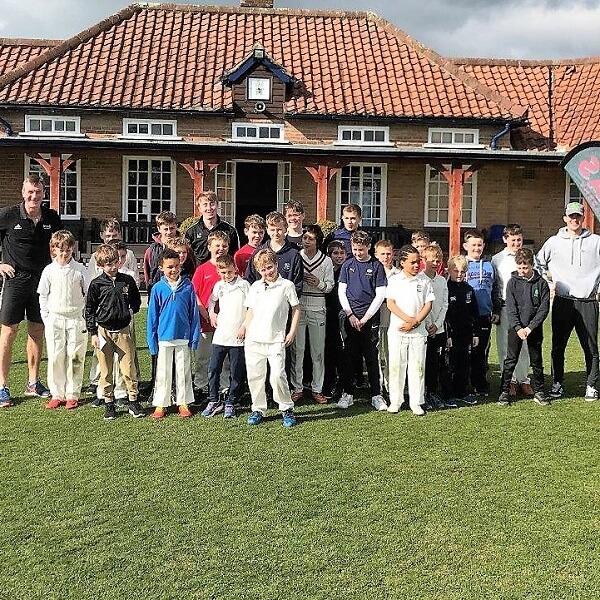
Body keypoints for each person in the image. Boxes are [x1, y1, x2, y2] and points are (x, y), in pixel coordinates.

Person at [0, 175, 62, 407]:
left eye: (38, 192)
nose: (34, 196)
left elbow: (60, 245)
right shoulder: (8, 215)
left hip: (42, 282)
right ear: (22, 193)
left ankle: (33, 383)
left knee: (37, 330)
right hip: (15, 280)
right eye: (30, 192)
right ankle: (2, 386)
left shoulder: (52, 217)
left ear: (43, 194)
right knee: (9, 332)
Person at [537, 201, 600, 400]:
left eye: (578, 216)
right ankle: (557, 383)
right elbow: (538, 264)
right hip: (563, 301)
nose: (574, 220)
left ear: (583, 218)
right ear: (565, 218)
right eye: (571, 216)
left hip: (588, 301)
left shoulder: (595, 241)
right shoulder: (554, 242)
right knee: (558, 345)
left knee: (590, 347)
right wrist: (548, 285)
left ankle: (591, 384)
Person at [241, 249, 300, 427]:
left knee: (277, 375)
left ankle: (286, 408)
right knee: (255, 376)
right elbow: (250, 310)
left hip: (276, 339)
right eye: (263, 269)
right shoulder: (256, 286)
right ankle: (258, 408)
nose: (268, 272)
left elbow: (296, 309)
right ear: (258, 271)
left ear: (276, 265)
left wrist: (291, 332)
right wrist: (245, 327)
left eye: (270, 267)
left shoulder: (287, 285)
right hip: (254, 339)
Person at [85, 244, 144, 421]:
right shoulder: (96, 284)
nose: (112, 267)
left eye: (114, 263)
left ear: (119, 262)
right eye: (107, 264)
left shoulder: (127, 280)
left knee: (128, 367)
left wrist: (129, 311)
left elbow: (136, 301)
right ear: (101, 265)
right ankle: (109, 403)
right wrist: (93, 333)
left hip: (123, 331)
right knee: (106, 370)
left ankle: (133, 400)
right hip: (103, 331)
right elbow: (89, 309)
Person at [37, 230, 89, 410]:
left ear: (72, 249)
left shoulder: (80, 270)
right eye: (60, 250)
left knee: (75, 356)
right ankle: (57, 393)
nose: (64, 254)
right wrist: (46, 318)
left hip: (76, 318)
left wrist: (85, 317)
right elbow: (43, 296)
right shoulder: (49, 270)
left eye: (67, 250)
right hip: (55, 319)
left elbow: (88, 294)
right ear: (54, 250)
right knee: (56, 356)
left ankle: (72, 394)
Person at [336, 230, 387, 411]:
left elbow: (381, 294)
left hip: (369, 319)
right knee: (348, 357)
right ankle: (347, 394)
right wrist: (350, 314)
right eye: (355, 249)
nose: (358, 253)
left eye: (361, 249)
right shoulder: (347, 265)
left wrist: (365, 318)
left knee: (371, 357)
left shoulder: (377, 266)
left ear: (368, 247)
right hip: (350, 319)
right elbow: (342, 291)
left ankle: (376, 395)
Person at [147, 248, 199, 419]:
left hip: (183, 335)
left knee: (183, 371)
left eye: (177, 266)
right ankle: (161, 403)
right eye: (169, 267)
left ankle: (183, 402)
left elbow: (193, 314)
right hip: (164, 337)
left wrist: (194, 337)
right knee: (163, 372)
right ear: (161, 267)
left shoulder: (188, 286)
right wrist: (152, 342)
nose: (174, 270)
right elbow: (152, 317)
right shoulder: (158, 288)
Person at [498, 248, 550, 407]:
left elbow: (543, 309)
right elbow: (511, 307)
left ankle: (540, 391)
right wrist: (518, 327)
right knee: (510, 359)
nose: (522, 271)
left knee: (536, 360)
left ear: (532, 265)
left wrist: (530, 327)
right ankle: (504, 391)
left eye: (525, 267)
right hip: (516, 328)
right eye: (519, 267)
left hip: (533, 328)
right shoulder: (512, 282)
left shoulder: (541, 284)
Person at [386, 245, 434, 416]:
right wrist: (408, 321)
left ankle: (416, 401)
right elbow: (390, 303)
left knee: (417, 367)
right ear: (403, 262)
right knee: (396, 365)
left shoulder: (424, 281)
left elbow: (428, 304)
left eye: (418, 262)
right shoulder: (394, 279)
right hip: (398, 331)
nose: (416, 266)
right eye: (412, 262)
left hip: (418, 333)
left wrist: (415, 322)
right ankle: (395, 401)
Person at [202, 254, 251, 418]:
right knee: (214, 368)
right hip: (221, 335)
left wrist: (244, 326)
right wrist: (212, 313)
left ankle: (231, 401)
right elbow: (211, 302)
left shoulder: (244, 285)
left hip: (238, 337)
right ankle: (214, 400)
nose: (226, 275)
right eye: (223, 273)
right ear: (218, 271)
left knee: (236, 372)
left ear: (235, 269)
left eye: (229, 272)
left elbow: (252, 307)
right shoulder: (218, 286)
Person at [290, 225, 334, 404]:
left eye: (311, 239)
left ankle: (317, 388)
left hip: (318, 308)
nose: (306, 241)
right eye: (305, 238)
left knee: (317, 351)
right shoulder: (296, 257)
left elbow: (330, 286)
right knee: (297, 350)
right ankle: (297, 388)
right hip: (299, 307)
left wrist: (318, 283)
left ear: (318, 241)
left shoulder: (326, 261)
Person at [491, 224, 533, 398]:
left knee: (523, 345)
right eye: (513, 240)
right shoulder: (497, 259)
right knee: (505, 345)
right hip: (505, 307)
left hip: (525, 308)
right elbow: (495, 286)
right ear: (505, 239)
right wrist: (496, 308)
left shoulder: (529, 256)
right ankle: (510, 380)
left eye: (519, 240)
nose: (516, 243)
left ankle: (524, 380)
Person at [191, 230, 230, 396]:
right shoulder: (202, 269)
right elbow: (195, 294)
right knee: (203, 356)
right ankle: (201, 385)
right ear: (209, 247)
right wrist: (205, 312)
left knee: (225, 358)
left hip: (228, 322)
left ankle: (224, 386)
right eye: (217, 246)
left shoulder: (231, 269)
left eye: (224, 245)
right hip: (205, 321)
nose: (221, 248)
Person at [463, 229, 501, 399]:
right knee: (464, 350)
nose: (477, 248)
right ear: (466, 246)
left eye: (479, 245)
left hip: (484, 315)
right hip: (465, 316)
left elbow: (496, 290)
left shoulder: (489, 265)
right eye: (473, 245)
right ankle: (462, 383)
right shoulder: (460, 264)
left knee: (480, 352)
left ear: (484, 245)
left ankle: (480, 383)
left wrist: (497, 310)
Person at [442, 255, 480, 408]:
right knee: (449, 364)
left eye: (462, 271)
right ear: (449, 270)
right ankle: (447, 394)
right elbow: (444, 314)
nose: (459, 274)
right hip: (450, 334)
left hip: (466, 334)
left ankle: (461, 392)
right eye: (456, 271)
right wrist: (447, 335)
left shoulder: (469, 290)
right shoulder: (445, 288)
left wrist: (476, 333)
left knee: (464, 364)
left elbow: (474, 313)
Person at [245, 211, 303, 298]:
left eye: (279, 229)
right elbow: (249, 279)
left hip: (284, 306)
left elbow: (298, 284)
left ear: (286, 229)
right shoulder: (258, 253)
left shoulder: (294, 254)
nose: (276, 233)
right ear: (267, 230)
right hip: (261, 304)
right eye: (272, 229)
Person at [422, 243, 448, 409]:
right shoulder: (420, 280)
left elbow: (444, 305)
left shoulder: (442, 281)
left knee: (436, 363)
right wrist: (427, 325)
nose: (435, 263)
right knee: (423, 362)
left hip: (438, 329)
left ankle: (432, 391)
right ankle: (422, 393)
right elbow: (420, 305)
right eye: (431, 260)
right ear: (424, 260)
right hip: (424, 329)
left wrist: (437, 325)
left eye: (437, 260)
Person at [185, 190, 239, 265]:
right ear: (199, 208)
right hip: (200, 274)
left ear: (217, 205)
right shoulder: (191, 232)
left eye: (212, 204)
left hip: (223, 273)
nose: (209, 208)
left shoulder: (230, 230)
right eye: (205, 205)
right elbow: (187, 258)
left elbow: (234, 256)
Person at [374, 239, 400, 396]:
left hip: (393, 319)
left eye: (388, 253)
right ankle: (379, 385)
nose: (386, 257)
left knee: (391, 353)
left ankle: (392, 385)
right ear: (376, 255)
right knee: (377, 353)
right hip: (377, 318)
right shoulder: (373, 270)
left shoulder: (399, 274)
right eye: (382, 254)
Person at [322, 240, 347, 399]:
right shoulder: (327, 271)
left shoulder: (347, 270)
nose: (339, 256)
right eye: (335, 253)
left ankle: (343, 384)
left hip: (343, 314)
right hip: (328, 314)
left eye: (341, 253)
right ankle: (329, 383)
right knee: (329, 351)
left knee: (343, 352)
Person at [87, 218, 140, 286]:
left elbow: (135, 279)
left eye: (114, 236)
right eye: (108, 236)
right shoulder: (96, 256)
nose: (111, 239)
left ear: (119, 235)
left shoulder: (128, 254)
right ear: (101, 235)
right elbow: (90, 279)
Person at [142, 211, 180, 296]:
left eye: (172, 228)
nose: (169, 232)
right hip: (157, 291)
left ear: (176, 227)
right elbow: (147, 272)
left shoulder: (183, 247)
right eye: (166, 229)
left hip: (179, 291)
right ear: (159, 229)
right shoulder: (151, 250)